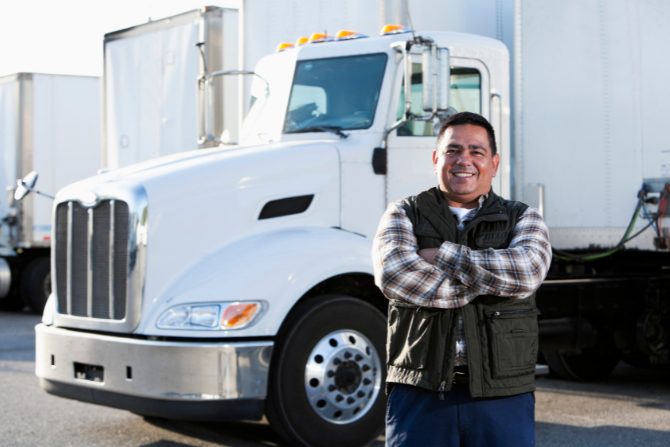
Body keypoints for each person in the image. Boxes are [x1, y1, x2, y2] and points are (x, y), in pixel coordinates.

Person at [372, 111, 552, 447]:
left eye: (476, 151)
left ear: (494, 163)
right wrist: (488, 281)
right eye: (453, 150)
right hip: (419, 391)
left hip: (502, 396)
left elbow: (526, 273)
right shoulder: (403, 213)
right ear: (436, 158)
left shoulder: (523, 217)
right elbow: (395, 275)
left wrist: (443, 256)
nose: (463, 160)